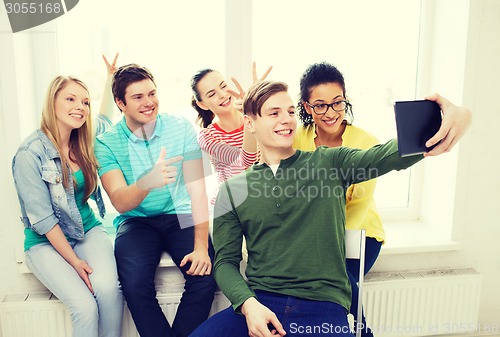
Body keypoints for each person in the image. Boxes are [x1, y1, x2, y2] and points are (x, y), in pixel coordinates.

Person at [189, 80, 472, 337]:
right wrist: (249, 305)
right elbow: (225, 263)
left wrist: (455, 118)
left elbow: (389, 155)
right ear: (250, 123)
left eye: (289, 111)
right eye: (274, 113)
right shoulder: (232, 190)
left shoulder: (330, 163)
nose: (286, 120)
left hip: (322, 307)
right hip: (260, 303)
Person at [293, 62, 472, 337]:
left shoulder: (365, 142)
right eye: (320, 105)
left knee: (339, 281)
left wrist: (462, 115)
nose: (330, 113)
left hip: (359, 234)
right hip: (310, 236)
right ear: (307, 107)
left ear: (345, 100)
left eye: (337, 103)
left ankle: (364, 333)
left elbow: (359, 205)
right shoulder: (296, 140)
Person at [94, 63, 217, 337]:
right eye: (138, 97)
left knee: (205, 277)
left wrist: (200, 247)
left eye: (152, 93)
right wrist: (147, 182)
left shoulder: (181, 128)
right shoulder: (106, 143)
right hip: (136, 221)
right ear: (120, 103)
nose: (149, 102)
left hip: (180, 213)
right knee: (135, 285)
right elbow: (120, 202)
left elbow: (198, 190)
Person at [11, 75, 123, 337]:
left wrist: (108, 79)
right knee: (85, 306)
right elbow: (43, 220)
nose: (80, 107)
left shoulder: (83, 139)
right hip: (44, 242)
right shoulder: (30, 153)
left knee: (109, 292)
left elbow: (105, 119)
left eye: (85, 102)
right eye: (70, 99)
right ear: (52, 103)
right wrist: (75, 262)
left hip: (88, 230)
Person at [191, 63, 271, 209]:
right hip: (230, 207)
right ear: (202, 105)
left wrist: (258, 99)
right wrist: (249, 114)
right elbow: (247, 163)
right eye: (212, 94)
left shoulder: (259, 117)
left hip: (264, 199)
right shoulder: (207, 137)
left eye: (223, 86)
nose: (222, 94)